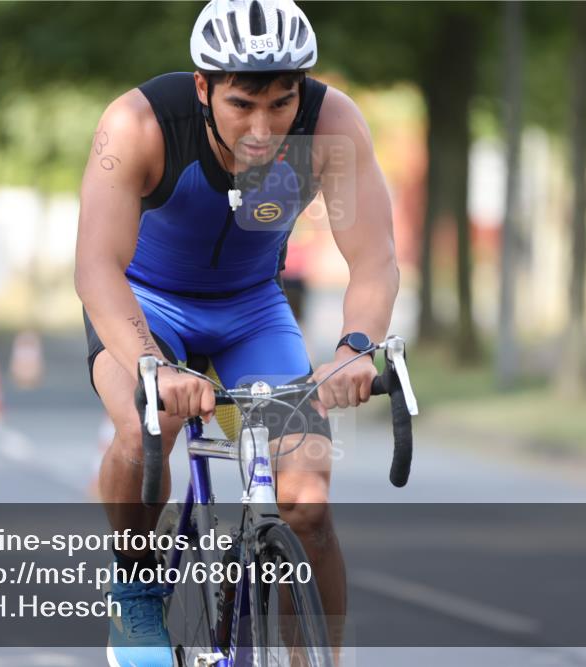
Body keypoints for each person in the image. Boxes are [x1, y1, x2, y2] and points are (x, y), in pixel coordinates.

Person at [74, 1, 399, 664]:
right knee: (143, 428)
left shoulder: (333, 125)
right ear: (203, 87)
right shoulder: (136, 124)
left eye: (282, 104)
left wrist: (356, 347)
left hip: (251, 310)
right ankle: (136, 587)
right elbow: (95, 267)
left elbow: (375, 256)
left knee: (305, 501)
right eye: (243, 104)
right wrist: (152, 367)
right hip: (145, 306)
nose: (262, 128)